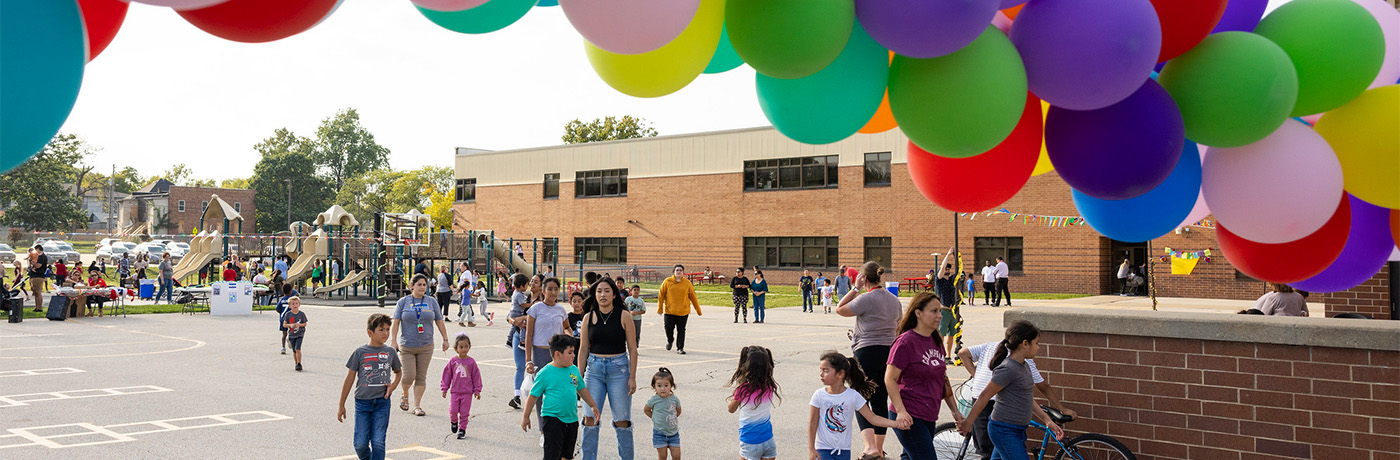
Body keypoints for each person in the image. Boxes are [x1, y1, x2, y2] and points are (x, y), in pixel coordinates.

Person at [957, 321, 1063, 460]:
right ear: (1025, 343)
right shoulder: (1007, 369)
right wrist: (968, 422)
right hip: (1004, 430)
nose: (1038, 347)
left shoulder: (1024, 366)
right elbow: (984, 396)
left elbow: (1027, 398)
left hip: (1017, 429)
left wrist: (1048, 421)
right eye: (1036, 343)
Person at [886, 293, 964, 460]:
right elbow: (890, 379)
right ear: (918, 313)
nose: (939, 316)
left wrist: (955, 411)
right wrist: (901, 412)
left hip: (929, 413)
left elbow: (942, 379)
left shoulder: (935, 341)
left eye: (940, 311)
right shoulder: (905, 343)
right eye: (934, 311)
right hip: (910, 414)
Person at [835, 261, 900, 460]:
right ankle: (879, 449)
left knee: (860, 398)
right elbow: (899, 324)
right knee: (880, 399)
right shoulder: (894, 300)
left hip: (867, 351)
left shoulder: (866, 299)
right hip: (889, 352)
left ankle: (870, 447)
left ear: (863, 278)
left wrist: (855, 289)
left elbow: (840, 309)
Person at [579, 277, 640, 460]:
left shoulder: (624, 316)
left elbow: (633, 349)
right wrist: (577, 377)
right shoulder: (588, 318)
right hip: (594, 371)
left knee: (622, 421)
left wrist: (633, 377)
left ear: (614, 294)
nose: (602, 294)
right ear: (594, 295)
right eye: (599, 291)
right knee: (590, 419)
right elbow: (582, 350)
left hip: (619, 371)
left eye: (606, 291)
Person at [808, 352, 903, 460]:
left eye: (825, 370)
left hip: (844, 450)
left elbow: (873, 418)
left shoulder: (853, 395)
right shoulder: (819, 395)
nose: (821, 374)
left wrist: (896, 424)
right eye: (821, 370)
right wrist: (812, 449)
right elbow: (812, 423)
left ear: (840, 374)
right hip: (822, 449)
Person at [521, 334, 600, 460]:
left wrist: (592, 404)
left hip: (571, 419)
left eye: (573, 352)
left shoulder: (573, 370)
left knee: (567, 455)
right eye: (570, 352)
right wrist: (526, 416)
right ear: (558, 354)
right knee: (552, 455)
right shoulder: (545, 373)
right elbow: (533, 396)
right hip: (553, 419)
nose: (574, 355)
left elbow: (582, 389)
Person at [337, 313, 403, 460]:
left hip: (382, 403)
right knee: (360, 444)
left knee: (378, 443)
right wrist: (341, 405)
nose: (386, 333)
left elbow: (398, 372)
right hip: (362, 403)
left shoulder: (390, 352)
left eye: (387, 329)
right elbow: (349, 378)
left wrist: (392, 386)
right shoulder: (360, 353)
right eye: (381, 329)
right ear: (370, 332)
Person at [390, 274, 450, 417]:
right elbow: (396, 321)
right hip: (407, 346)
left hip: (426, 345)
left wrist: (445, 339)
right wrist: (393, 340)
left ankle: (417, 405)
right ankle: (405, 394)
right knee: (409, 375)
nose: (423, 287)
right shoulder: (403, 302)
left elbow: (439, 321)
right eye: (419, 284)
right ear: (412, 286)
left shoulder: (431, 301)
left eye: (424, 284)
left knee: (421, 376)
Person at [525, 278, 573, 427]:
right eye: (550, 289)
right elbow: (529, 335)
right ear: (543, 291)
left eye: (556, 289)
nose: (553, 292)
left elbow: (567, 327)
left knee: (559, 389)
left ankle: (559, 423)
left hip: (558, 355)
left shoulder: (561, 310)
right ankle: (543, 428)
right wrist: (529, 360)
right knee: (540, 391)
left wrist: (569, 337)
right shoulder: (535, 309)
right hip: (540, 353)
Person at [727, 345, 780, 460]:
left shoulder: (743, 389)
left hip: (750, 440)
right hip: (768, 439)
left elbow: (731, 409)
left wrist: (738, 390)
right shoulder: (769, 386)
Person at [441, 332, 483, 440]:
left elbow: (476, 376)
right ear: (456, 348)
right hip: (455, 391)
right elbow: (447, 375)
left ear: (469, 347)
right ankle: (454, 421)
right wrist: (444, 388)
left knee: (464, 413)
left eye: (466, 346)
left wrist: (477, 390)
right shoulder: (453, 361)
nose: (464, 349)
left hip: (467, 393)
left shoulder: (471, 362)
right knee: (453, 410)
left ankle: (462, 429)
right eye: (461, 347)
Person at [658, 265, 702, 355]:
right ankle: (670, 340)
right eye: (677, 270)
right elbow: (661, 295)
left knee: (681, 330)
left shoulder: (687, 283)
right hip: (670, 311)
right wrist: (660, 308)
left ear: (683, 272)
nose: (679, 272)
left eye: (680, 270)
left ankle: (680, 348)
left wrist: (698, 310)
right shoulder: (667, 281)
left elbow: (693, 297)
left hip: (683, 312)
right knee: (668, 328)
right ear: (674, 272)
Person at [505, 274, 532, 410]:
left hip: (535, 337)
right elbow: (509, 316)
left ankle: (539, 396)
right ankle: (517, 396)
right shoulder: (523, 297)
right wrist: (515, 320)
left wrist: (524, 317)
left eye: (535, 282)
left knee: (538, 368)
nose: (531, 284)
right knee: (520, 366)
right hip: (519, 333)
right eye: (530, 282)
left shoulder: (540, 301)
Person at [645, 367, 682, 460]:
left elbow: (678, 410)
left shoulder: (674, 399)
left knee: (677, 456)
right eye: (659, 385)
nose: (663, 389)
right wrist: (655, 418)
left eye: (666, 385)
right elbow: (646, 410)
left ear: (671, 386)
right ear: (654, 386)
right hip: (659, 433)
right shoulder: (654, 400)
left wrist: (672, 417)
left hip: (673, 433)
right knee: (662, 457)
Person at [935, 262, 961, 358]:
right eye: (945, 269)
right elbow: (941, 270)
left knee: (951, 334)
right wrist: (948, 254)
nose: (947, 270)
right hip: (944, 310)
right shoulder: (939, 280)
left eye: (948, 269)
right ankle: (939, 354)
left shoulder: (951, 280)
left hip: (952, 311)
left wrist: (957, 258)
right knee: (941, 334)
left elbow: (959, 271)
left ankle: (948, 355)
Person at [284, 296, 309, 371]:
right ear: (289, 306)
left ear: (299, 304)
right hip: (292, 334)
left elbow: (305, 323)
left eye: (296, 303)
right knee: (294, 350)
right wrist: (290, 325)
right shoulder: (288, 314)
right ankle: (296, 363)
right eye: (293, 304)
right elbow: (284, 324)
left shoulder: (301, 314)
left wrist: (299, 325)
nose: (295, 305)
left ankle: (299, 363)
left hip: (300, 334)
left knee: (298, 348)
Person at [276, 284, 298, 354]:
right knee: (293, 331)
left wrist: (281, 313)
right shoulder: (292, 300)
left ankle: (283, 347)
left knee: (284, 334)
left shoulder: (282, 299)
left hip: (283, 318)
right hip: (291, 318)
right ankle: (291, 339)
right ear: (290, 291)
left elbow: (277, 309)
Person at [27, 245, 48, 312]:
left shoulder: (42, 257)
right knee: (35, 292)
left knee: (38, 292)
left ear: (38, 249)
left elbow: (38, 266)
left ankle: (39, 307)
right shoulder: (37, 257)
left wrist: (31, 261)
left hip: (38, 276)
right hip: (34, 275)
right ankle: (36, 307)